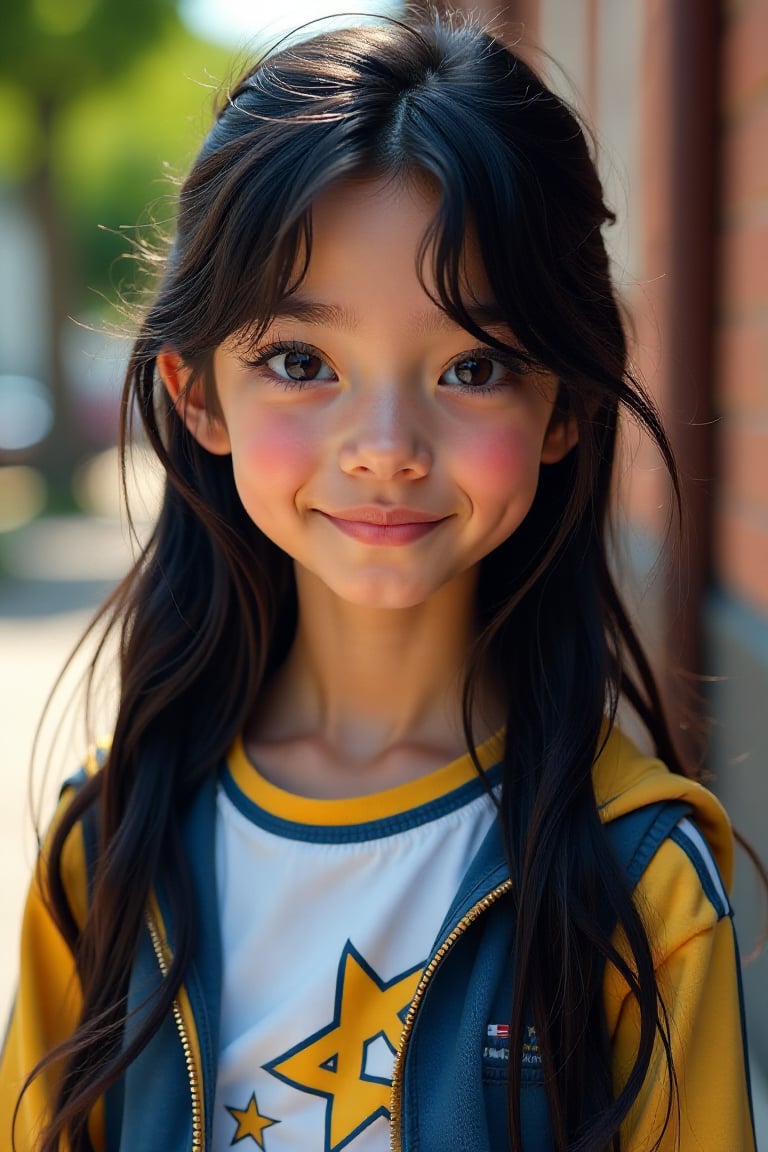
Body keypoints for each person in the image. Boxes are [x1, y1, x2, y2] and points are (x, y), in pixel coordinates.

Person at [0, 11, 758, 1152]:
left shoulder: (639, 883)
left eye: (473, 365)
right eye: (302, 363)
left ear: (564, 408)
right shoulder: (107, 849)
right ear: (197, 395)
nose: (387, 444)